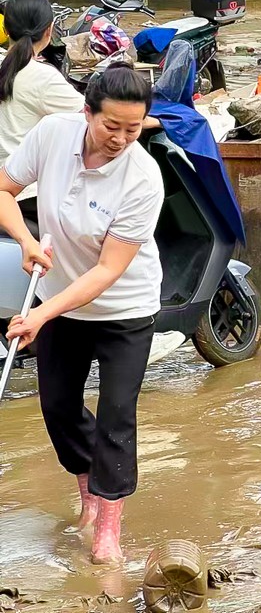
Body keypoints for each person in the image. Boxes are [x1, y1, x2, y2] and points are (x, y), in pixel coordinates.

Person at [0, 65, 165, 563]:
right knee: (57, 406)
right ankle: (88, 496)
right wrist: (26, 241)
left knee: (117, 413)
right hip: (58, 300)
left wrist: (39, 315)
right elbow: (4, 189)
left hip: (124, 308)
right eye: (110, 126)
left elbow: (107, 271)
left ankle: (109, 530)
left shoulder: (143, 177)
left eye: (132, 130)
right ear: (86, 112)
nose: (119, 138)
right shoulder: (53, 135)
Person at [0, 0, 86, 209]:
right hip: (23, 194)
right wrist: (162, 120)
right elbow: (94, 118)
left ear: (6, 29)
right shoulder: (43, 77)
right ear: (48, 31)